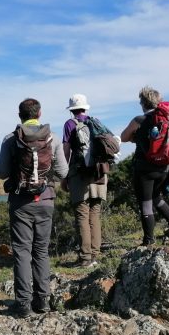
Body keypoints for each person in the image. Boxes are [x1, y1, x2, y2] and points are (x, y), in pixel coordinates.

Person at [0, 98, 68, 318]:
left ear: (19, 115)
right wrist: (45, 178)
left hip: (20, 204)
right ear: (40, 113)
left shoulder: (10, 139)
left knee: (22, 252)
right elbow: (63, 172)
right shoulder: (53, 138)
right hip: (45, 201)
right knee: (41, 251)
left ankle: (24, 304)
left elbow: (1, 172)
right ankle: (43, 301)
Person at [121, 86, 169, 245]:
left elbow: (123, 137)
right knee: (156, 197)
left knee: (146, 203)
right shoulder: (167, 119)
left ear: (143, 103)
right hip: (164, 167)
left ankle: (148, 241)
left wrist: (136, 137)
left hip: (144, 169)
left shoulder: (139, 120)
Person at [61, 94, 108, 268]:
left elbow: (66, 152)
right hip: (99, 173)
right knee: (95, 213)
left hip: (79, 174)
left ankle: (85, 258)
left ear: (71, 109)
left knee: (82, 214)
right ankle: (95, 255)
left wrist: (64, 176)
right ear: (85, 108)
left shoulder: (69, 124)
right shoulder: (95, 122)